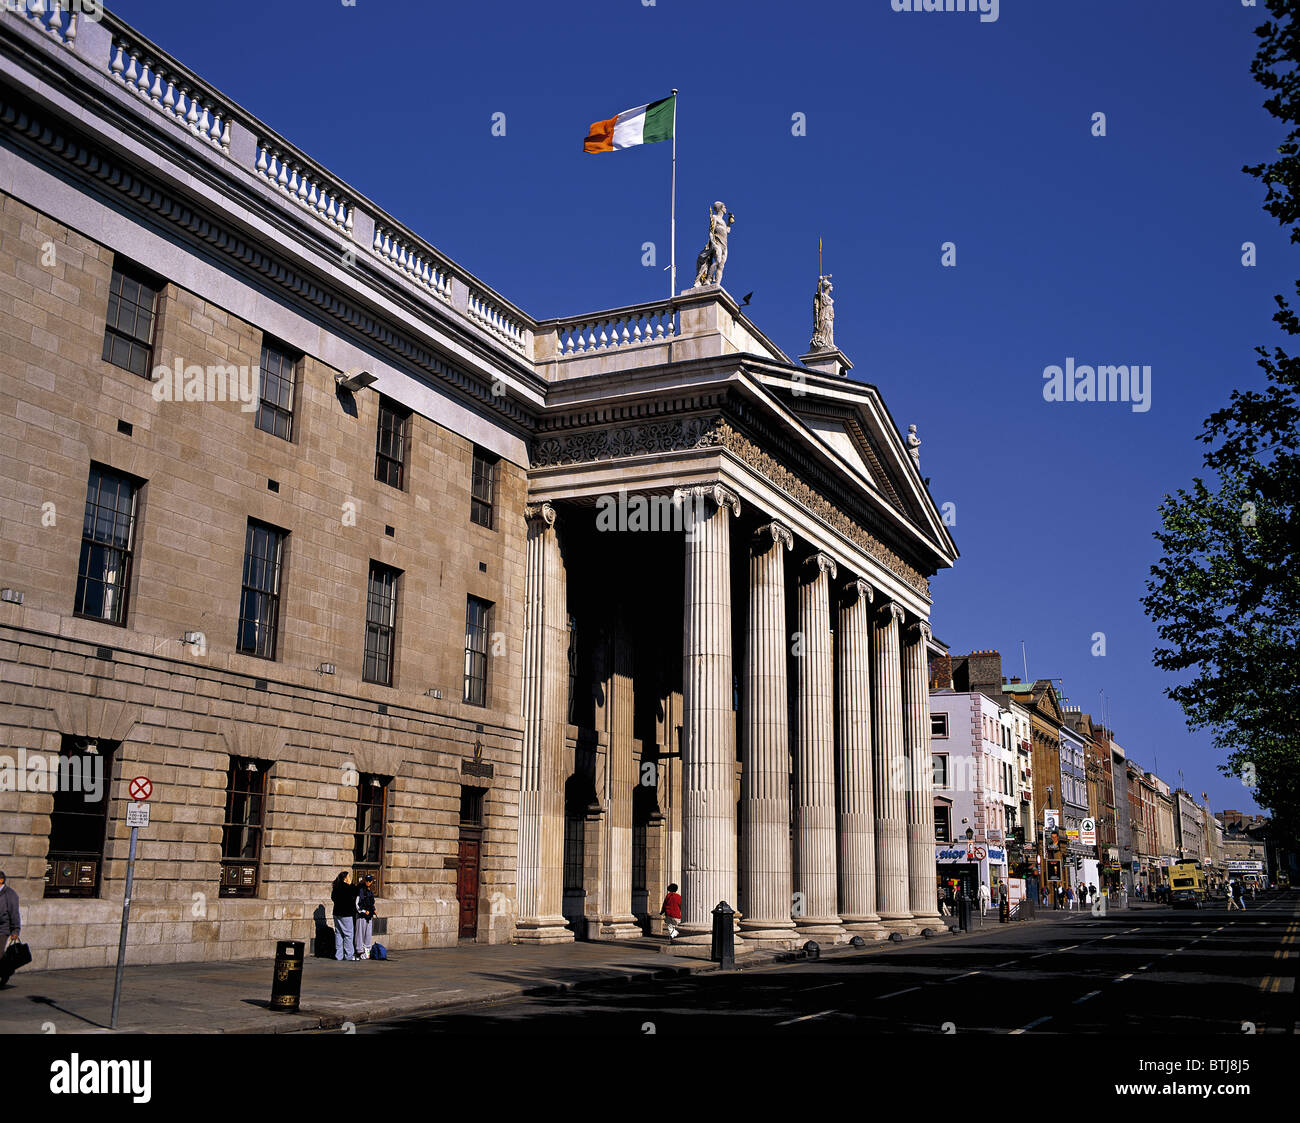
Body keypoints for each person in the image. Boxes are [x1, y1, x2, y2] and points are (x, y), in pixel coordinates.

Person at [331, 871, 358, 961]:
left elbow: (333, 898)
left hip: (336, 913)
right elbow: (355, 892)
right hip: (346, 914)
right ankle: (349, 955)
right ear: (345, 878)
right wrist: (351, 884)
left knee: (338, 933)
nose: (350, 878)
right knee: (348, 934)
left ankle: (338, 955)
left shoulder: (336, 887)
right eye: (349, 876)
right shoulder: (348, 887)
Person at [0, 870, 20, 986]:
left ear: (1, 880)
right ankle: (5, 971)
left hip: (3, 929)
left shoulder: (10, 894)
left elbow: (14, 914)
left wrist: (15, 930)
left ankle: (5, 973)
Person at [355, 874, 376, 960]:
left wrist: (373, 910)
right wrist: (363, 911)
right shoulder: (360, 890)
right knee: (360, 934)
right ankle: (359, 951)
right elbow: (357, 904)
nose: (368, 882)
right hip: (361, 916)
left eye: (369, 881)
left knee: (368, 934)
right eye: (367, 881)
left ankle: (367, 951)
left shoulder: (370, 891)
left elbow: (371, 903)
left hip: (369, 916)